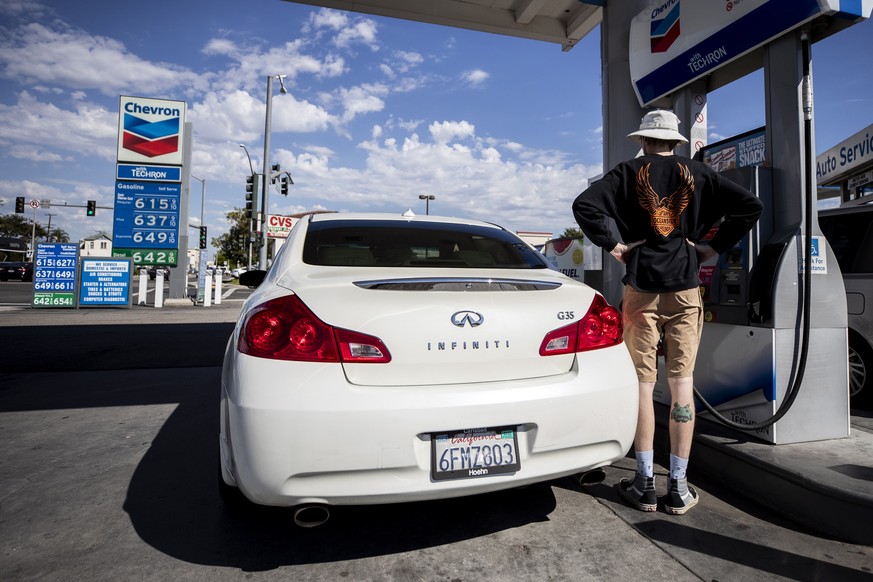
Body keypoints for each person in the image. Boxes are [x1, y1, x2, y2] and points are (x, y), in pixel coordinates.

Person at [572, 110, 763, 514]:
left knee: (642, 385)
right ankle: (677, 485)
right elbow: (750, 206)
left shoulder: (627, 172)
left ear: (643, 140)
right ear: (676, 142)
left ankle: (643, 483)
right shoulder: (699, 172)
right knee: (681, 385)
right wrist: (712, 246)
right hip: (686, 288)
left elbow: (585, 206)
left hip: (641, 290)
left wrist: (615, 246)